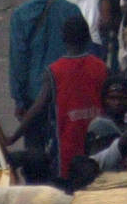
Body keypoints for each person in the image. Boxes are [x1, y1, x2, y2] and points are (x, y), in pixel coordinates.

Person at [6, 0, 83, 169]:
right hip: (66, 93)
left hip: (33, 97)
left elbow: (18, 59)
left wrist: (19, 100)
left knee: (34, 154)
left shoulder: (21, 15)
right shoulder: (71, 10)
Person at [17, 14, 106, 185]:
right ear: (88, 37)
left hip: (66, 153)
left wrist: (13, 137)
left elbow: (38, 108)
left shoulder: (54, 71)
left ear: (63, 38)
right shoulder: (100, 67)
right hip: (98, 149)